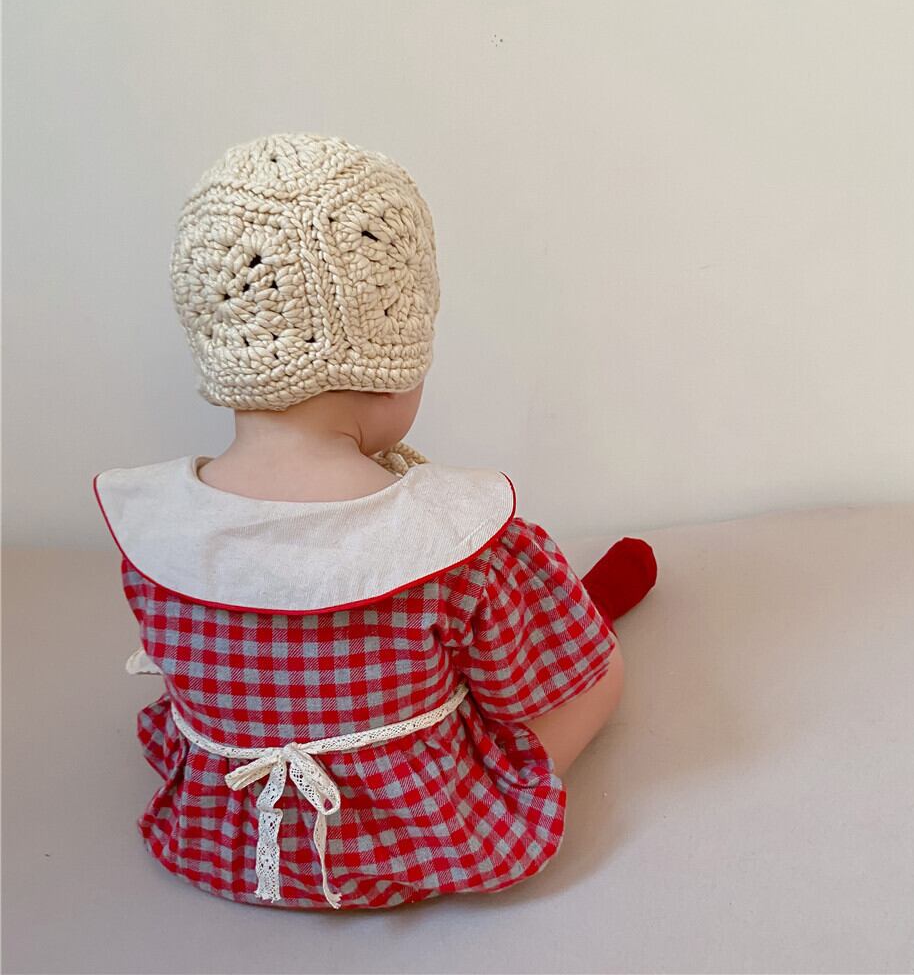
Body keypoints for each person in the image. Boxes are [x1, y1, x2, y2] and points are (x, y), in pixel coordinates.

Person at [93, 132, 658, 911]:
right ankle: (499, 788)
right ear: (393, 367)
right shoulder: (461, 544)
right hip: (421, 842)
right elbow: (524, 690)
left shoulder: (156, 536)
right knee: (599, 672)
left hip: (224, 851)